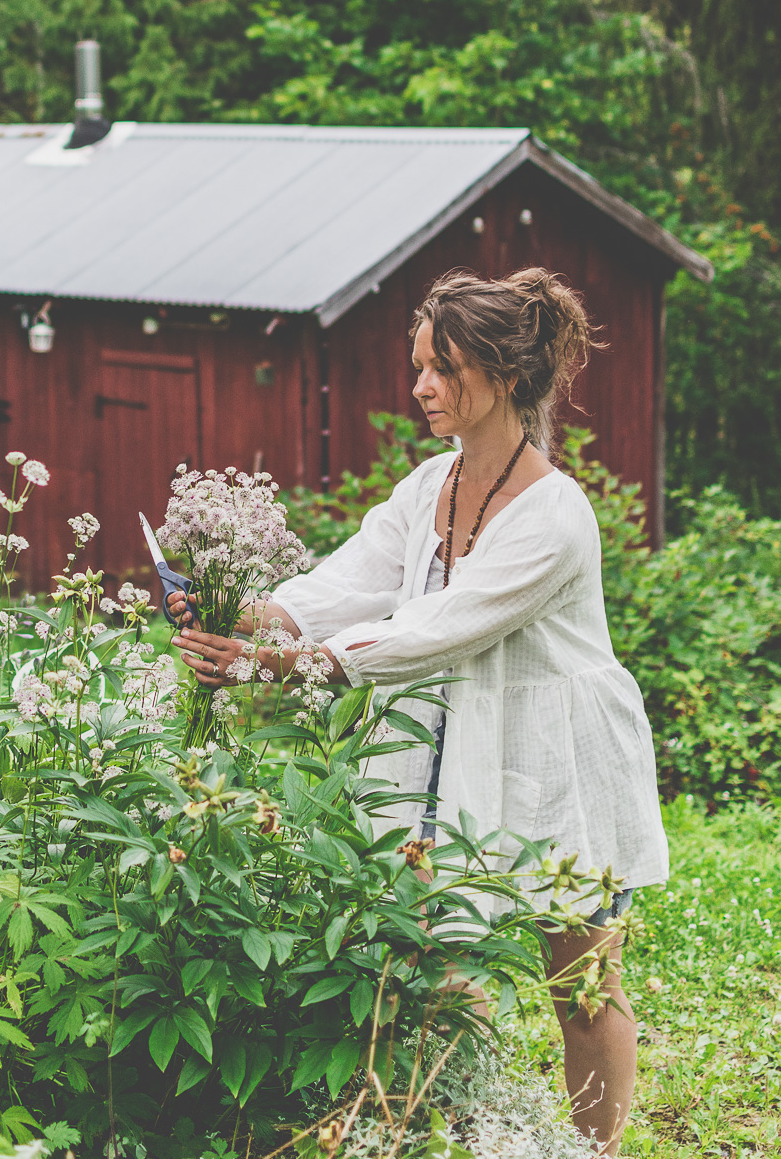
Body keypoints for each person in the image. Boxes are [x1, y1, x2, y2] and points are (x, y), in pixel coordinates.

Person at [168, 267, 668, 1156]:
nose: (421, 387)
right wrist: (237, 611)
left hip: (561, 753)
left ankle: (595, 1152)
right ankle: (460, 1133)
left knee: (581, 976)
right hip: (449, 740)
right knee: (438, 954)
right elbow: (347, 584)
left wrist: (277, 667)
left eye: (443, 368)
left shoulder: (554, 514)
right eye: (418, 365)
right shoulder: (428, 485)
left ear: (506, 377)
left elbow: (437, 630)